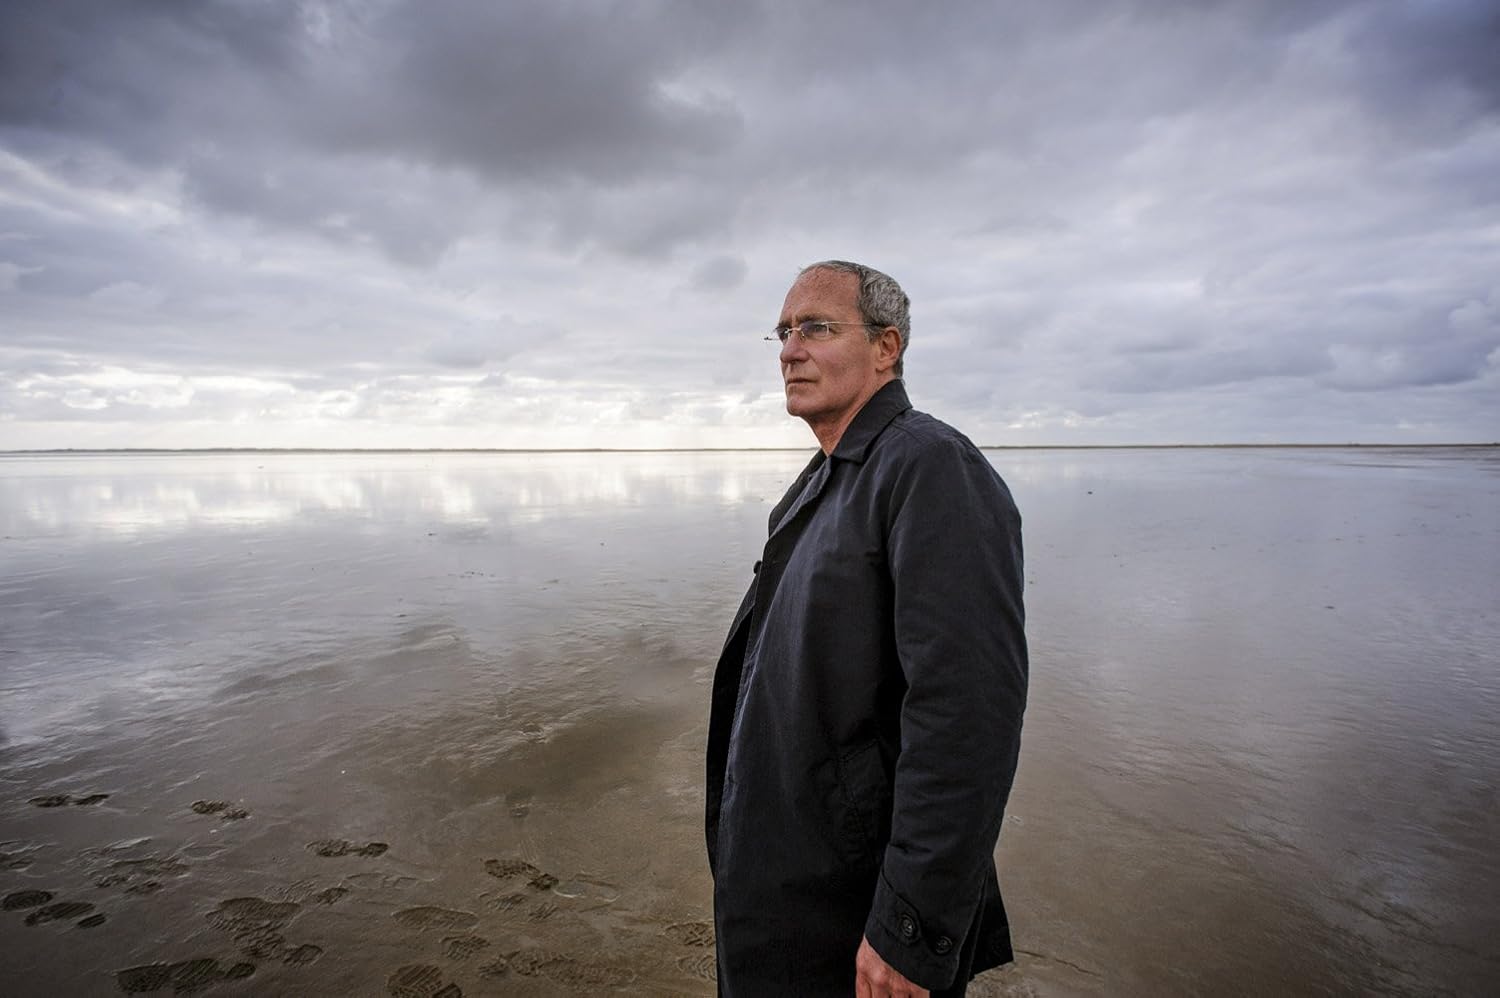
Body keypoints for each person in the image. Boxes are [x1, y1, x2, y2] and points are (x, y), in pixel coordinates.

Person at [705, 261, 1028, 997]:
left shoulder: (931, 468)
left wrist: (910, 927)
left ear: (886, 347)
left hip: (852, 910)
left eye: (816, 328)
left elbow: (966, 716)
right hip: (791, 885)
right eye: (784, 332)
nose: (790, 350)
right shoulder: (828, 475)